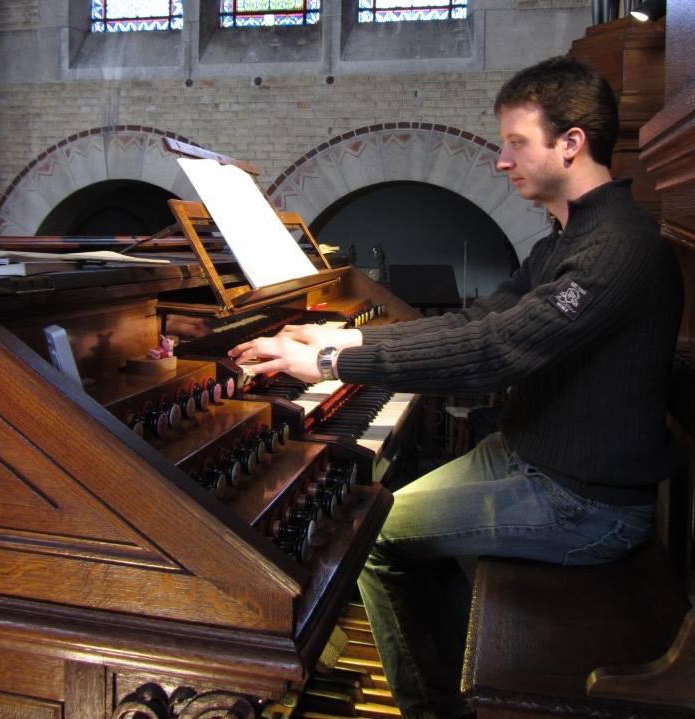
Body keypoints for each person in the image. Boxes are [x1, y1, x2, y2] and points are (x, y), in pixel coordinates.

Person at [229, 56, 684, 719]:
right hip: (528, 455)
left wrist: (329, 363)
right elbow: (481, 319)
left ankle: (433, 709)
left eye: (517, 143)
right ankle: (439, 672)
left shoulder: (617, 246)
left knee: (374, 534)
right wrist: (345, 340)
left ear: (572, 143)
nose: (502, 160)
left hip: (583, 501)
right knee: (386, 509)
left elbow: (496, 351)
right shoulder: (571, 235)